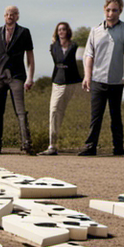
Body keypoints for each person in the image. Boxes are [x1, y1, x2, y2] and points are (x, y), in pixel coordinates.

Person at [78, 0, 124, 156]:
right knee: (96, 116)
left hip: (116, 80)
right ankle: (90, 147)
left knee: (116, 116)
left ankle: (118, 148)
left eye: (114, 10)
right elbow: (88, 55)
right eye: (108, 10)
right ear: (104, 10)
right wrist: (87, 76)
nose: (111, 13)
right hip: (97, 79)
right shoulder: (95, 31)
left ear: (120, 11)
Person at [0, 6, 35, 155]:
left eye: (13, 14)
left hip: (17, 76)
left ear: (17, 16)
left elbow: (30, 56)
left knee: (20, 111)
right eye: (7, 14)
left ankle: (26, 143)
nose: (10, 16)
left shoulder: (24, 32)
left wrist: (30, 77)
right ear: (4, 16)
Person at [43, 21, 82, 155]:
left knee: (70, 112)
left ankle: (77, 143)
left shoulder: (75, 46)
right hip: (58, 81)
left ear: (68, 31)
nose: (61, 31)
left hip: (73, 81)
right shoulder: (53, 47)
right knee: (54, 111)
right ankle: (52, 145)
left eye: (64, 29)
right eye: (59, 29)